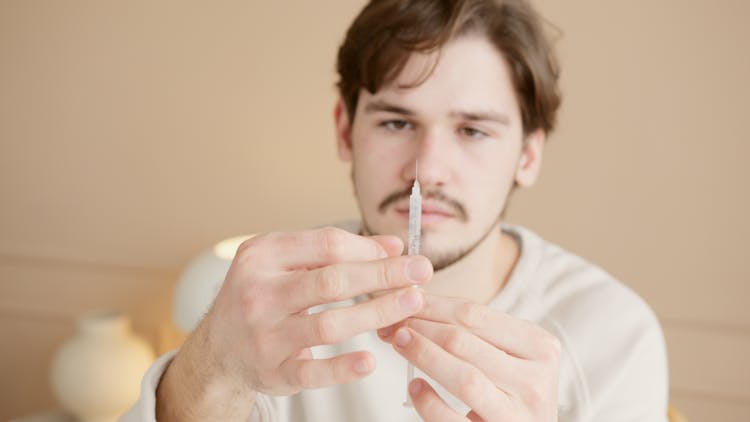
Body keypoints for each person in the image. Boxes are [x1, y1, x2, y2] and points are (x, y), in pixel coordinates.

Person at [123, 0, 668, 420]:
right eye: (396, 122)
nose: (426, 169)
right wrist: (211, 369)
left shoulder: (612, 334)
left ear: (527, 154)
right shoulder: (272, 305)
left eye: (473, 130)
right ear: (345, 130)